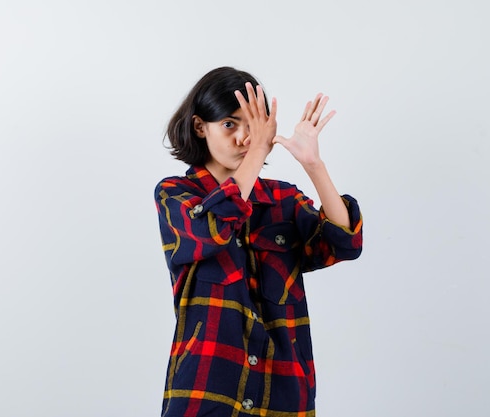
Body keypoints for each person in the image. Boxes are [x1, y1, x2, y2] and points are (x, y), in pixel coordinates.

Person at [154, 66, 363, 417]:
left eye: (253, 127)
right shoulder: (177, 195)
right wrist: (257, 154)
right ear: (200, 126)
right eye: (230, 124)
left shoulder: (281, 199)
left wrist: (313, 164)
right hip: (208, 392)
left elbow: (343, 243)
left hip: (282, 394)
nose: (244, 138)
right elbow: (213, 230)